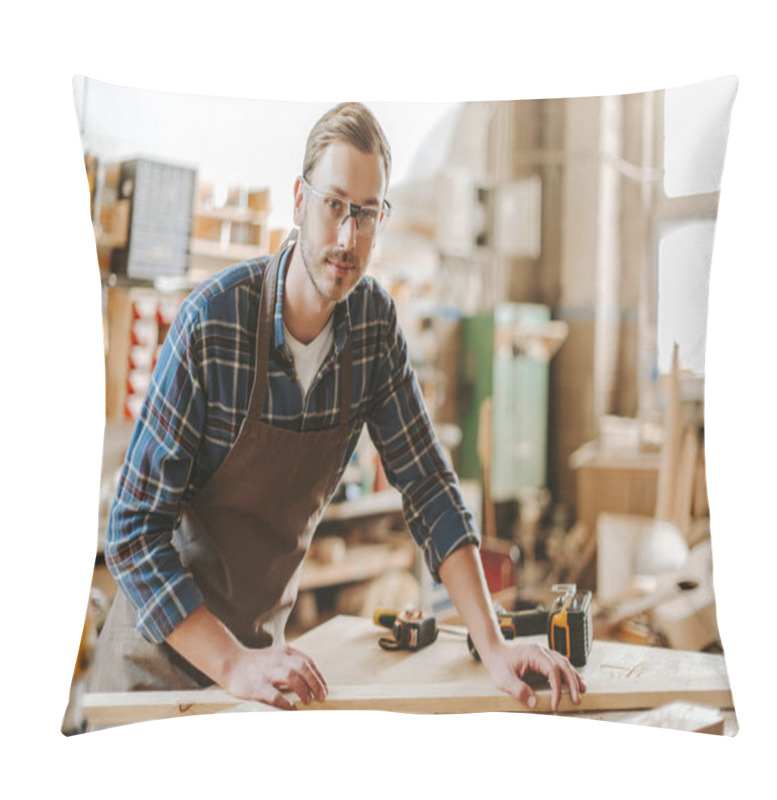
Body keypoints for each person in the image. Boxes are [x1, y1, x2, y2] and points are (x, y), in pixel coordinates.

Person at [90, 102, 586, 713]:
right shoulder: (212, 324)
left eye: (368, 214)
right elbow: (133, 532)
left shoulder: (373, 329)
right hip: (153, 672)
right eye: (334, 206)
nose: (348, 237)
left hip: (257, 665)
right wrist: (232, 663)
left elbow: (429, 488)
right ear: (299, 200)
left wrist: (495, 644)